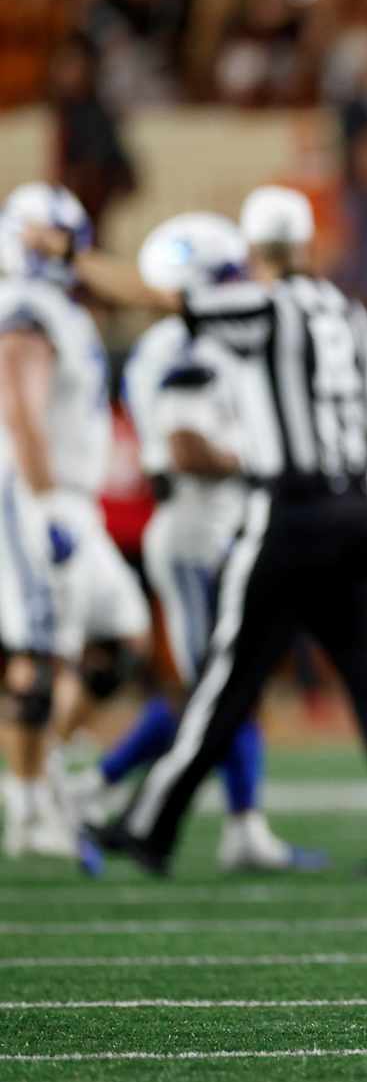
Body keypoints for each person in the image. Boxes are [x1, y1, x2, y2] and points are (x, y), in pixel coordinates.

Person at [75, 186, 367, 879]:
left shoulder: (262, 303)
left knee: (225, 682)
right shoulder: (346, 310)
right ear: (306, 242)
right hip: (355, 511)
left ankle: (148, 825)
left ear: (252, 250)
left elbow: (159, 299)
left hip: (288, 515)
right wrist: (349, 472)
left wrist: (73, 256)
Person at [65, 212, 322, 871]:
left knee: (230, 683)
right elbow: (186, 446)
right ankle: (101, 786)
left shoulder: (179, 344)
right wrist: (271, 458)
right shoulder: (184, 348)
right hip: (196, 530)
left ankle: (240, 823)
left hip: (211, 529)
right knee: (220, 686)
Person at [0, 183, 150, 863]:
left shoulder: (60, 305)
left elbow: (144, 290)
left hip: (72, 499)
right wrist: (39, 500)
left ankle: (43, 770)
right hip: (42, 496)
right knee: (39, 657)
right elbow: (20, 408)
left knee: (118, 643)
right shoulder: (27, 309)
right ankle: (27, 805)